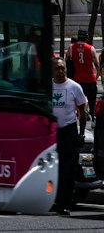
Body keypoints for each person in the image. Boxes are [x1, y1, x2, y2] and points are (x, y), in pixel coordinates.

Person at [52, 55, 88, 214]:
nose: (60, 71)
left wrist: (81, 134)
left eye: (62, 68)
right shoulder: (47, 87)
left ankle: (65, 203)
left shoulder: (74, 87)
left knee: (68, 169)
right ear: (52, 70)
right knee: (53, 168)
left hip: (69, 130)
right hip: (52, 133)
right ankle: (52, 200)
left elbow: (82, 112)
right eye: (57, 68)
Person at [66, 30, 100, 121]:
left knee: (77, 102)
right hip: (90, 80)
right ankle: (93, 118)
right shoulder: (91, 48)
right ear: (86, 38)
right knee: (92, 102)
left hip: (77, 80)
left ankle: (79, 118)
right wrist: (98, 75)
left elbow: (67, 61)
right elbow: (96, 64)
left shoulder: (71, 47)